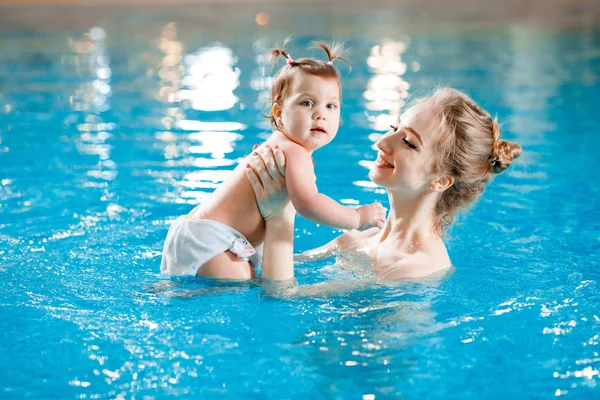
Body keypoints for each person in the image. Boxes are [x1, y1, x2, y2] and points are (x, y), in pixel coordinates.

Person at [245, 87, 523, 287]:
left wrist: (280, 216)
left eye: (409, 143)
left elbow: (281, 297)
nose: (381, 143)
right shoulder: (365, 236)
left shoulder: (413, 269)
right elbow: (264, 272)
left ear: (441, 180)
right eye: (394, 128)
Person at [161, 41, 385, 279]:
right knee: (244, 281)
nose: (320, 113)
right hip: (216, 243)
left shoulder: (278, 144)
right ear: (279, 113)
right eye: (307, 103)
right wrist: (357, 216)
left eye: (331, 105)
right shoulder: (295, 152)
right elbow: (308, 203)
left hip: (194, 230)